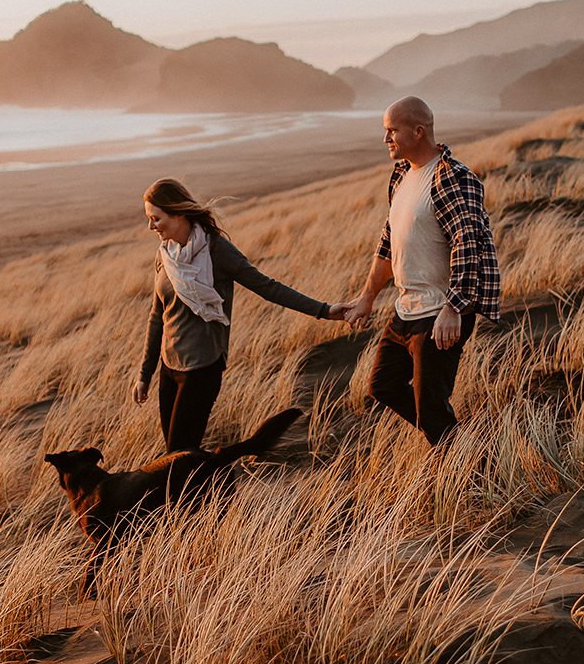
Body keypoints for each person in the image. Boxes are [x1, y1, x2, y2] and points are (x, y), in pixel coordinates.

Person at [135, 178, 348, 451]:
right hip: (169, 367)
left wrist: (324, 310)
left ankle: (215, 491)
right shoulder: (164, 255)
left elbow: (268, 287)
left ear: (178, 213)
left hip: (202, 368)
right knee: (176, 456)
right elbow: (157, 317)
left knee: (179, 456)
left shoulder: (217, 251)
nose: (151, 226)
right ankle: (217, 491)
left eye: (155, 218)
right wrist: (145, 374)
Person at [343, 97, 501, 445]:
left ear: (418, 130)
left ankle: (465, 466)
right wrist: (367, 298)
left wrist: (453, 308)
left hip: (441, 312)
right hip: (407, 308)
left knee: (431, 408)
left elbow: (468, 244)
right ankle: (457, 442)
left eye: (392, 130)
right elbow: (388, 243)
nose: (386, 139)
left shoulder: (455, 178)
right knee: (382, 385)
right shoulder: (401, 174)